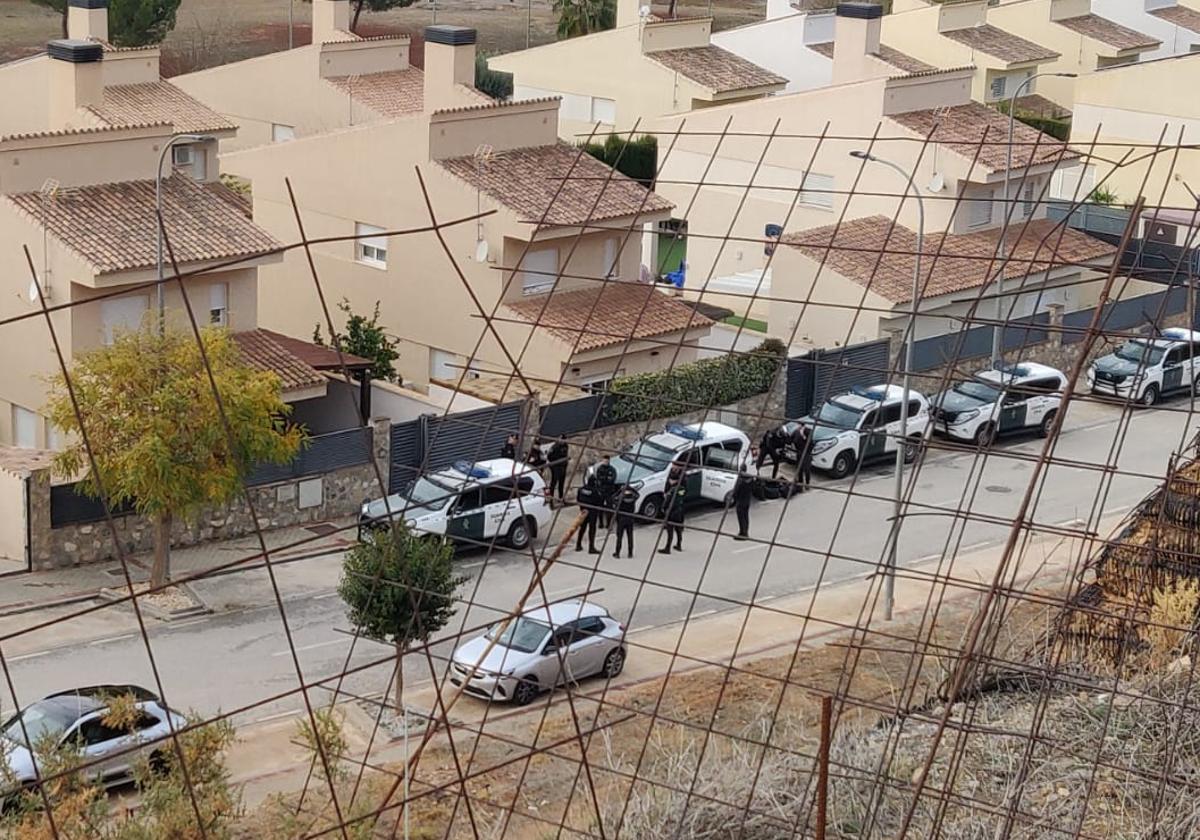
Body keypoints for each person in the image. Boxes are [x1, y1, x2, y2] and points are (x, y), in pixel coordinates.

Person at [659, 460, 686, 554]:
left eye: (675, 466)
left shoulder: (683, 477)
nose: (673, 467)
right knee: (677, 527)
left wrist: (664, 507)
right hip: (676, 507)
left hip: (674, 509)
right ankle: (677, 545)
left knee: (673, 529)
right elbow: (667, 485)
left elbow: (682, 492)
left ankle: (670, 547)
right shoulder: (671, 474)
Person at [575, 476, 601, 554]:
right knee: (592, 529)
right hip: (592, 512)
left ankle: (578, 544)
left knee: (582, 528)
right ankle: (591, 547)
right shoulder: (595, 491)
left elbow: (578, 499)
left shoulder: (581, 489)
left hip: (583, 511)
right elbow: (599, 501)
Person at [613, 485, 639, 559]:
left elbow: (613, 498)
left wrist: (620, 490)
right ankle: (630, 553)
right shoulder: (633, 498)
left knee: (619, 537)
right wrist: (630, 488)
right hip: (630, 519)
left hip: (621, 519)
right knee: (630, 536)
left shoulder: (620, 499)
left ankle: (617, 553)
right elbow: (637, 494)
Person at [733, 466, 757, 540]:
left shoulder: (740, 480)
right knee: (746, 517)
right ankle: (746, 532)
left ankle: (742, 533)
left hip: (740, 501)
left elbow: (736, 491)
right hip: (747, 501)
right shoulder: (751, 479)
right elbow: (754, 489)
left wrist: (734, 497)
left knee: (741, 518)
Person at [594, 455, 618, 528]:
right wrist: (606, 479)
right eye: (604, 461)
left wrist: (604, 479)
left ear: (609, 461)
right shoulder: (600, 469)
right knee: (600, 508)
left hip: (609, 492)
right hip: (601, 491)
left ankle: (608, 524)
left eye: (607, 461)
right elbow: (598, 479)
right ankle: (601, 523)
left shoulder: (612, 469)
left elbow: (612, 480)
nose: (605, 462)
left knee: (609, 508)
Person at [792, 423, 812, 493]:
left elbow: (810, 442)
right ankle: (800, 485)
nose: (798, 426)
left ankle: (807, 484)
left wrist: (804, 436)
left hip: (807, 453)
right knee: (800, 469)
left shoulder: (808, 431)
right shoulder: (795, 432)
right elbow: (791, 440)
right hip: (799, 453)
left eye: (800, 425)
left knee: (807, 469)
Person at [547, 439, 569, 504]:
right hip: (556, 467)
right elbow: (549, 457)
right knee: (554, 483)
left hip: (563, 466)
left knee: (561, 483)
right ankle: (551, 500)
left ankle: (561, 498)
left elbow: (565, 454)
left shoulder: (565, 446)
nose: (563, 441)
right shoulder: (555, 447)